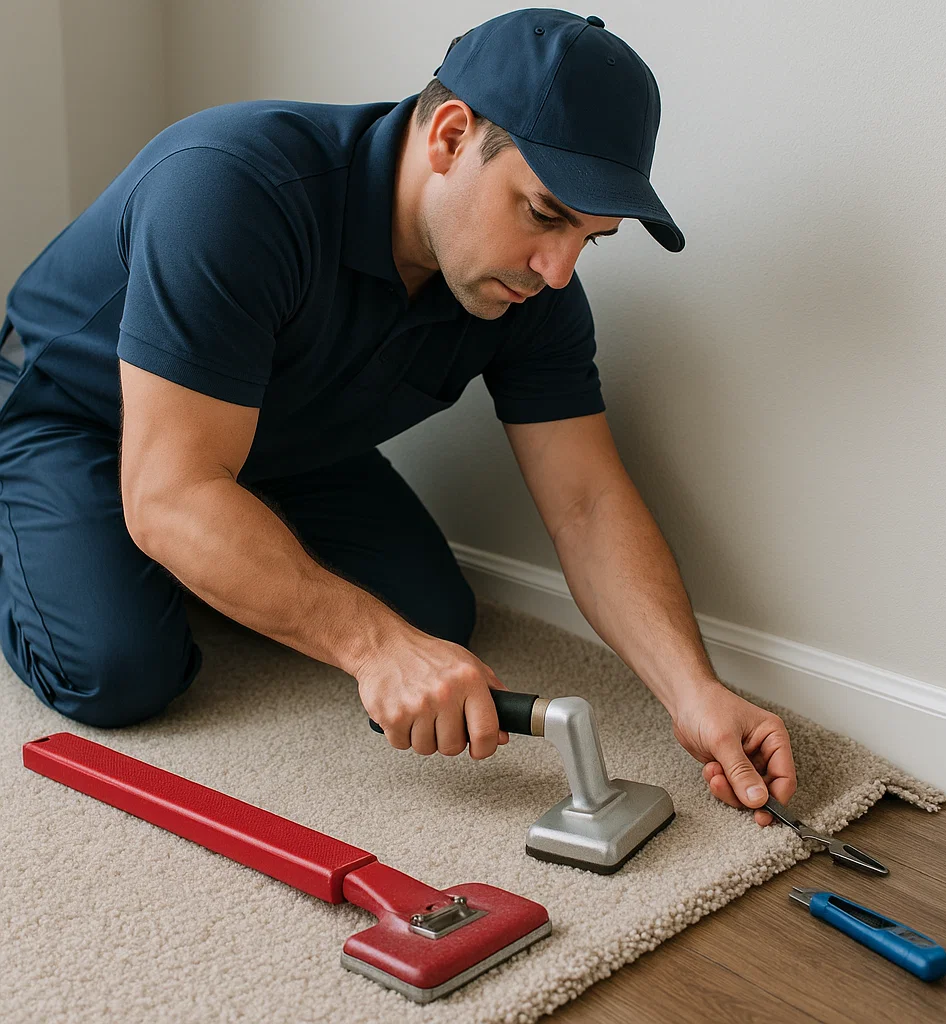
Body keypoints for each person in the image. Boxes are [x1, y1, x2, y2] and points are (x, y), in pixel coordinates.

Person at [0, 9, 795, 826]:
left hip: (283, 435)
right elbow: (170, 493)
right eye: (544, 214)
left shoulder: (532, 291)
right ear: (450, 136)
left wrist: (693, 690)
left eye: (589, 239)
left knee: (436, 619)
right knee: (121, 668)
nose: (557, 271)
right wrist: (372, 647)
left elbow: (587, 501)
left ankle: (211, 548)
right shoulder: (233, 191)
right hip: (73, 413)